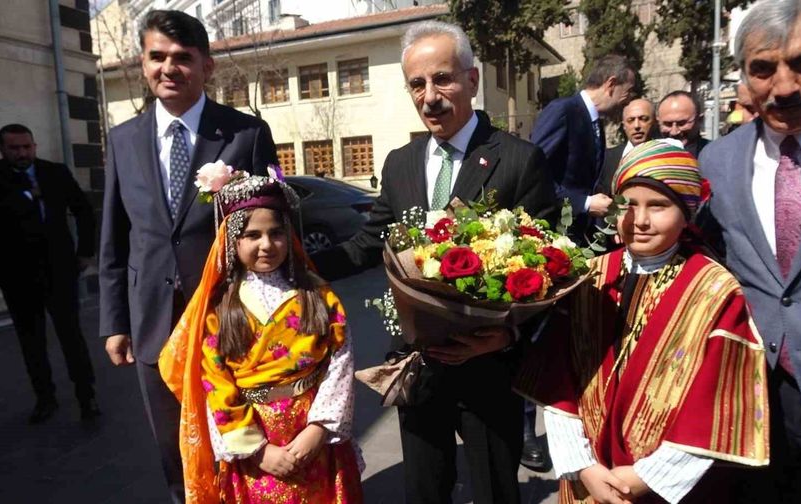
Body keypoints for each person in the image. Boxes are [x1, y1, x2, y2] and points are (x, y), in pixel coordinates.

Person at [311, 20, 556, 504]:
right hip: (418, 365)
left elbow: (549, 269)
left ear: (472, 79)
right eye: (417, 84)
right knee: (424, 491)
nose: (430, 97)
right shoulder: (400, 162)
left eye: (442, 79)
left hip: (489, 369)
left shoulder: (518, 160)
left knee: (495, 492)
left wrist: (507, 336)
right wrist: (297, 264)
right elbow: (369, 243)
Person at [517, 140, 769, 504]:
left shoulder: (715, 290)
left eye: (659, 206)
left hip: (664, 485)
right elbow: (559, 380)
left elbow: (715, 403)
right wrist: (583, 466)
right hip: (588, 474)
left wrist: (643, 478)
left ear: (687, 212)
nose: (640, 220)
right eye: (628, 204)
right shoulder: (589, 275)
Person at [98, 10, 277, 503]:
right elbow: (115, 238)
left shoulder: (245, 134)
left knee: (241, 436)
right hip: (153, 321)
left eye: (182, 58)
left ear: (206, 66)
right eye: (157, 57)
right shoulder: (123, 140)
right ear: (143, 63)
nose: (168, 68)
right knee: (172, 446)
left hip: (231, 317)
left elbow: (276, 229)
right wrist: (115, 322)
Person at [699, 0, 801, 500]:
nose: (784, 86)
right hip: (750, 410)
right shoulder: (717, 161)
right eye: (764, 69)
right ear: (745, 76)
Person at [158, 171, 363, 503]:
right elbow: (215, 382)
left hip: (313, 435)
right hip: (255, 445)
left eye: (276, 233)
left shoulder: (316, 294)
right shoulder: (221, 307)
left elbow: (340, 361)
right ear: (232, 240)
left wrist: (319, 429)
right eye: (252, 235)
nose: (266, 245)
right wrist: (257, 449)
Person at [0, 123, 98, 423]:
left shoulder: (54, 173)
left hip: (59, 270)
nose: (22, 153)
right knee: (31, 342)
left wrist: (85, 252)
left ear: (34, 146)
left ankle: (87, 396)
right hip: (17, 275)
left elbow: (83, 210)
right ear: (2, 150)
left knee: (71, 336)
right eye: (14, 148)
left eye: (26, 147)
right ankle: (45, 398)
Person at [531, 54, 636, 242]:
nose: (628, 100)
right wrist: (584, 203)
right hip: (555, 234)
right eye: (628, 91)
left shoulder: (596, 123)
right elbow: (533, 173)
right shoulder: (563, 111)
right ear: (611, 84)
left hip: (581, 236)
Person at [597, 98, 656, 196]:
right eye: (630, 120)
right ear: (624, 125)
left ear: (654, 122)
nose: (636, 126)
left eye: (643, 119)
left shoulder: (666, 156)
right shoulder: (605, 159)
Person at [657, 91, 709, 157]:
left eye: (681, 123)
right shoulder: (648, 157)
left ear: (700, 120)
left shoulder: (715, 155)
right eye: (668, 124)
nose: (674, 132)